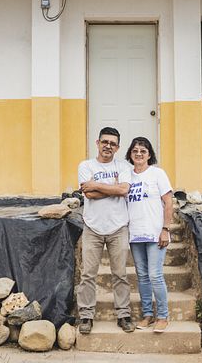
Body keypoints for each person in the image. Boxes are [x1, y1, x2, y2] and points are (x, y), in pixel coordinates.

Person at [76, 127, 136, 334]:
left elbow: (124, 190)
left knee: (120, 274)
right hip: (92, 227)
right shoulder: (85, 165)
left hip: (118, 227)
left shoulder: (124, 166)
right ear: (97, 142)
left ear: (117, 147)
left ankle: (123, 314)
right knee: (88, 274)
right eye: (105, 142)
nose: (108, 146)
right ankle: (86, 316)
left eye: (112, 143)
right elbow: (89, 195)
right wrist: (113, 188)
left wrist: (96, 185)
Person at [124, 136, 173, 333]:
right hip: (135, 234)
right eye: (135, 150)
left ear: (149, 155)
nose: (138, 154)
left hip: (155, 233)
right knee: (142, 276)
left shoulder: (157, 174)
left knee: (155, 275)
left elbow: (169, 203)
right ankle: (147, 315)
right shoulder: (127, 176)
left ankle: (163, 316)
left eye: (143, 151)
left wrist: (165, 229)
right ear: (130, 154)